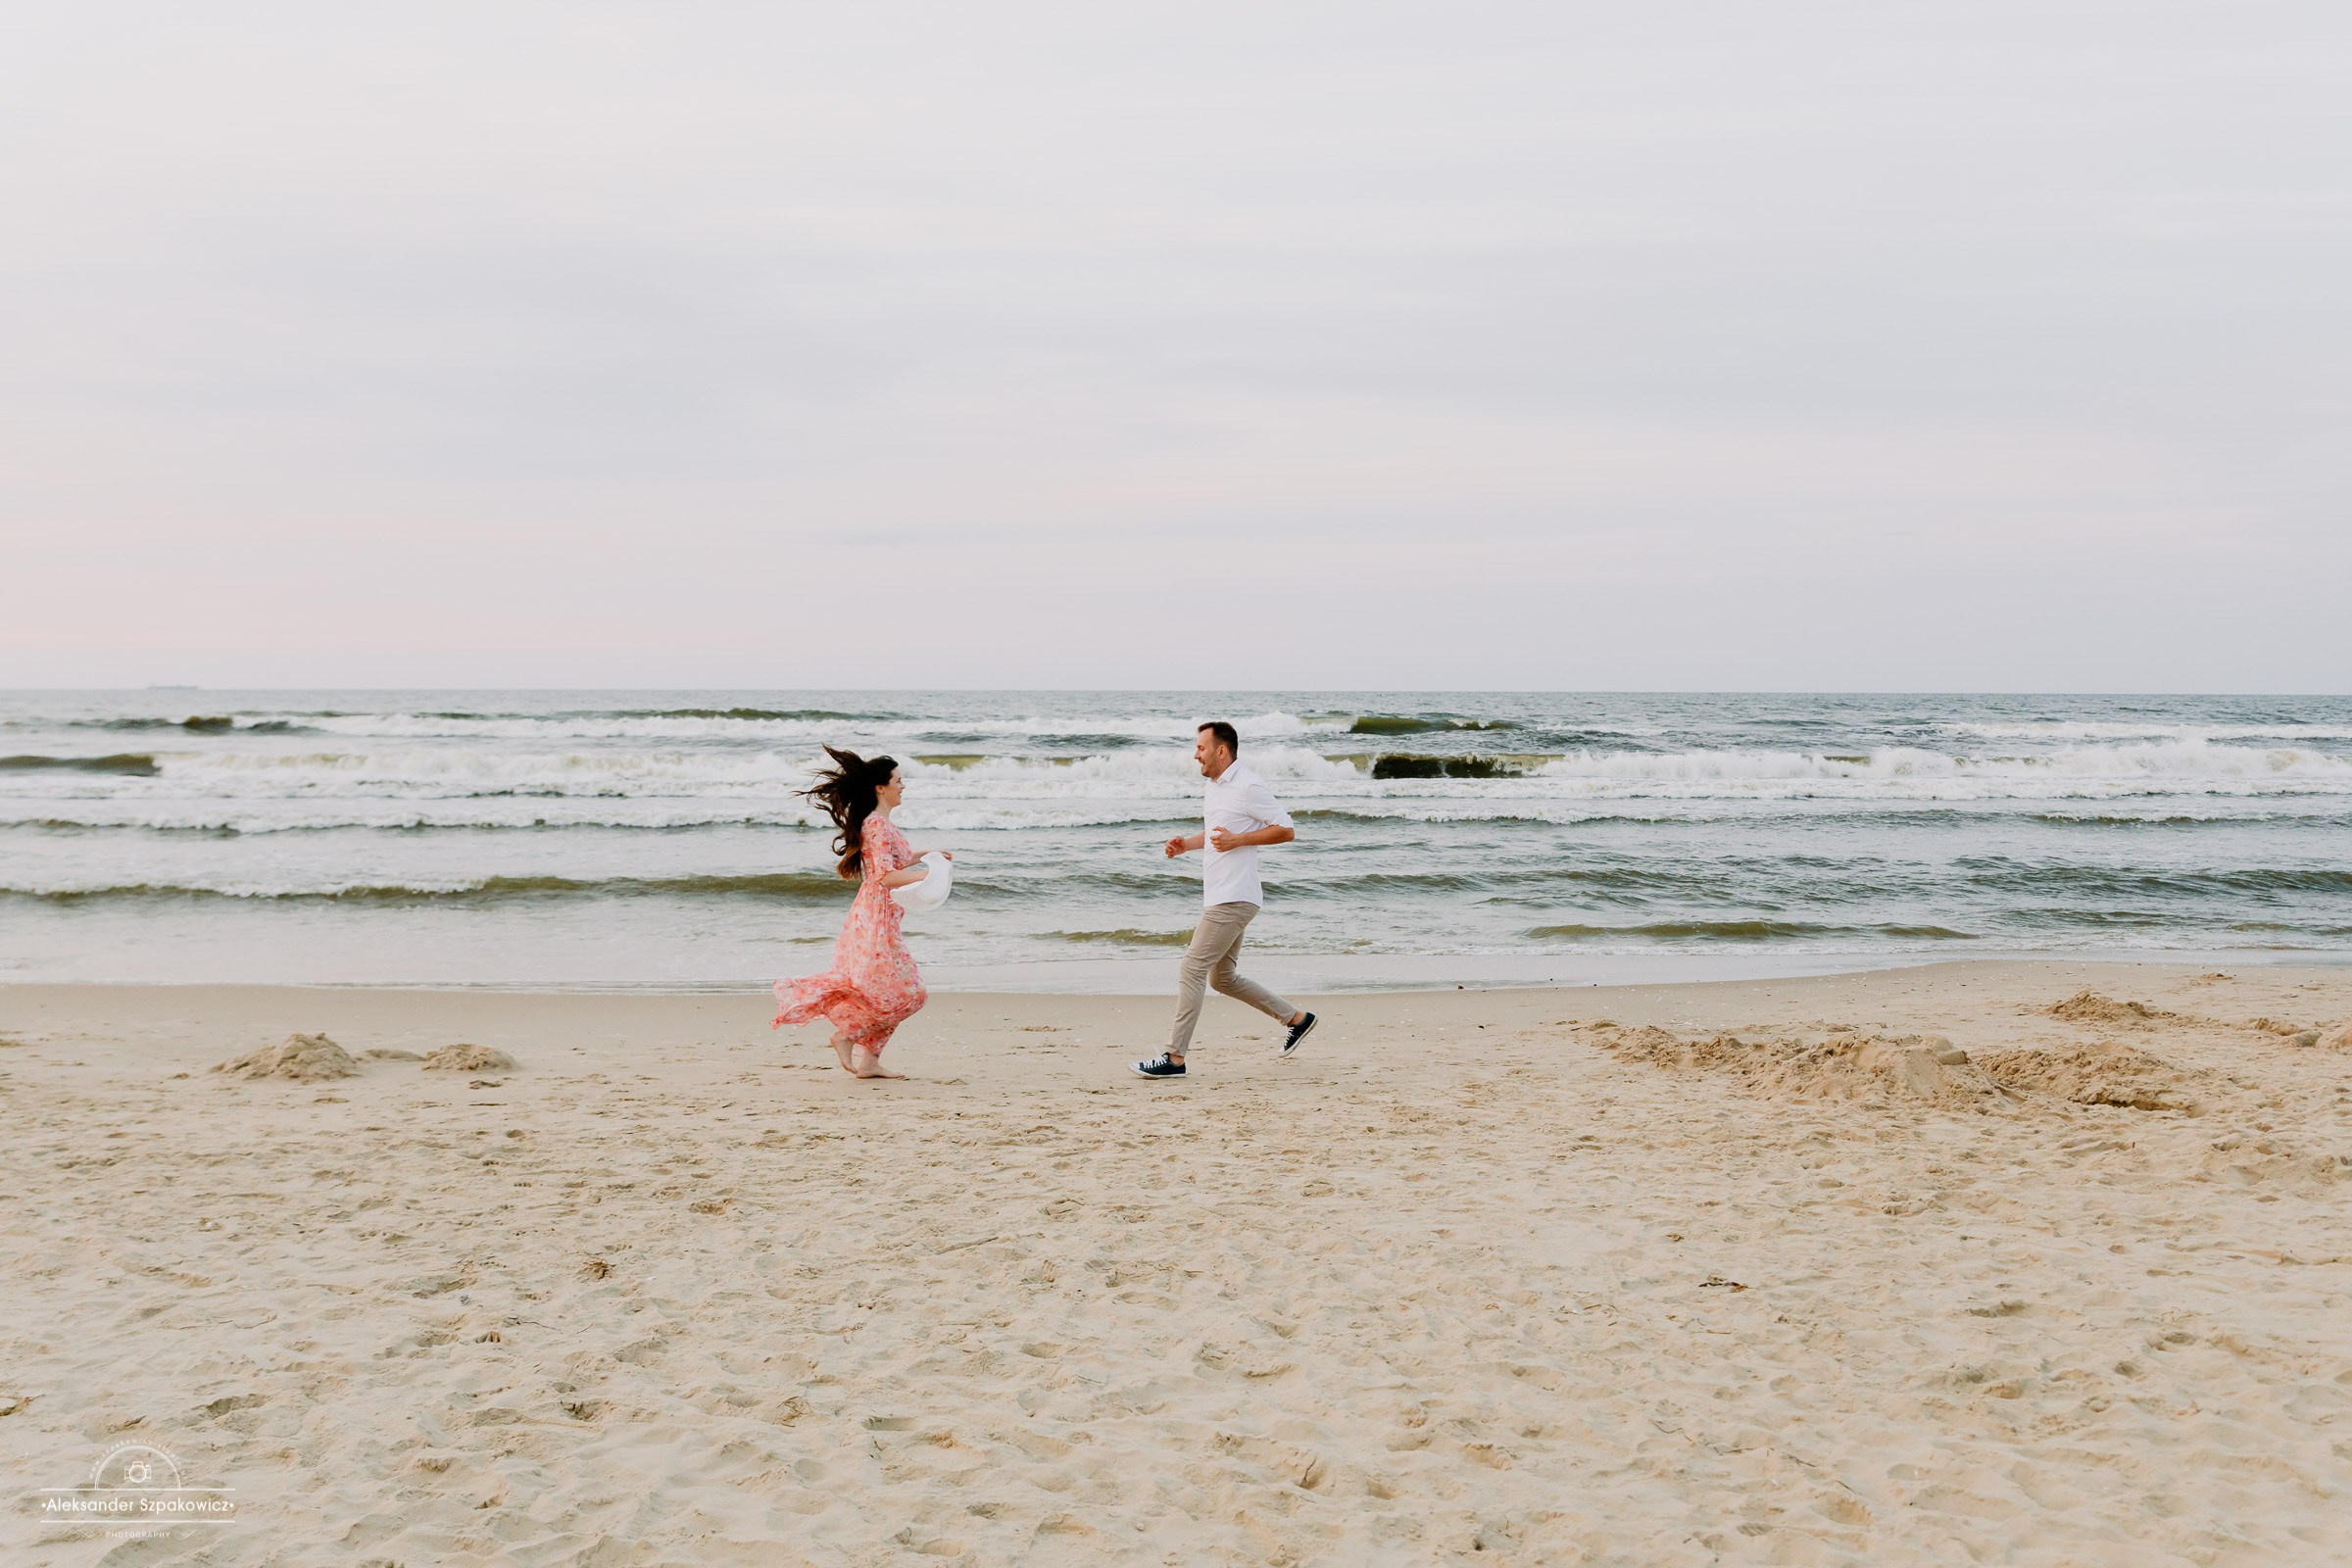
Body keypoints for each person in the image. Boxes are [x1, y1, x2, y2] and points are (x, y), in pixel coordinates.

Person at [1133, 720, 1318, 1079]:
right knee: (1223, 979)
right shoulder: (1215, 787)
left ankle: (1174, 1058)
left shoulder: (1248, 785)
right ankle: (1297, 1019)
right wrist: (1186, 843)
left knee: (1191, 968)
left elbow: (1286, 829)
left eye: (1201, 747)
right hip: (1223, 894)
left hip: (1234, 896)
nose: (1195, 754)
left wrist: (1239, 841)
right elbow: (1219, 831)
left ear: (1221, 750)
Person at [773, 747, 948, 1079]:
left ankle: (869, 1062)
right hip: (876, 921)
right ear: (881, 787)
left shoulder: (880, 823)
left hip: (880, 917)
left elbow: (896, 862)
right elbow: (885, 876)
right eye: (899, 780)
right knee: (911, 993)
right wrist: (929, 875)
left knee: (879, 992)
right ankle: (846, 1035)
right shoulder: (877, 825)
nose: (903, 786)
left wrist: (928, 856)